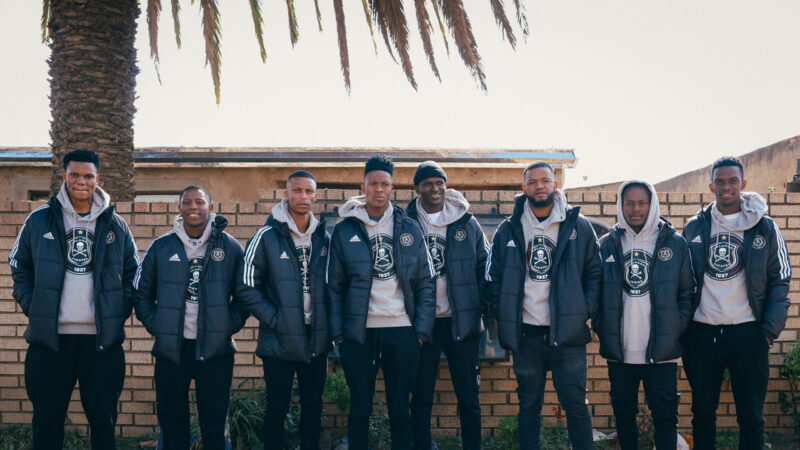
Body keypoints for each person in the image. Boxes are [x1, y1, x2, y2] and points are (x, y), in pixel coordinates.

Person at [8, 148, 139, 449]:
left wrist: (118, 310)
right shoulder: (39, 220)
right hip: (50, 343)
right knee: (47, 423)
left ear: (98, 179)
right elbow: (18, 266)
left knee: (103, 423)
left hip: (101, 344)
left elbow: (135, 274)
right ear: (64, 176)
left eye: (88, 176)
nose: (82, 181)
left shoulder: (116, 225)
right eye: (75, 175)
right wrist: (34, 306)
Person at [486, 161, 601, 450]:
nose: (539, 186)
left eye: (545, 181)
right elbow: (492, 277)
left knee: (576, 404)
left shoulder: (579, 227)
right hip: (527, 334)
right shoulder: (508, 229)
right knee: (529, 406)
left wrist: (583, 310)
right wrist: (504, 313)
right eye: (533, 182)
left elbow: (596, 274)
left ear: (555, 185)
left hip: (568, 334)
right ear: (524, 187)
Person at [681, 156, 791, 449]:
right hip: (702, 334)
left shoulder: (765, 226)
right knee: (703, 413)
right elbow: (681, 280)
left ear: (743, 184)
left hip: (748, 333)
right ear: (711, 186)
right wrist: (683, 328)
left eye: (732, 181)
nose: (726, 187)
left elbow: (781, 279)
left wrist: (767, 331)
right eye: (720, 181)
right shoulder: (694, 227)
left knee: (751, 416)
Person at [327, 155, 436, 450]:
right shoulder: (344, 230)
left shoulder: (410, 228)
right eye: (373, 184)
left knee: (399, 407)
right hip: (359, 334)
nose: (379, 189)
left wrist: (420, 333)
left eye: (384, 184)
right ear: (363, 187)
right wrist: (339, 335)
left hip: (402, 331)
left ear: (392, 188)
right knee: (360, 406)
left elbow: (426, 282)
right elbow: (333, 287)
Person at [133, 185, 247, 450]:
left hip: (215, 350)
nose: (193, 207)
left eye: (199, 202)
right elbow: (140, 293)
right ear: (179, 208)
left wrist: (227, 326)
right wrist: (158, 326)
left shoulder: (229, 247)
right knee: (172, 422)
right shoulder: (161, 246)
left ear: (210, 207)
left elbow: (245, 294)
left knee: (214, 423)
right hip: (172, 350)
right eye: (187, 202)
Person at [595, 180, 695, 449]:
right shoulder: (607, 245)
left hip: (661, 352)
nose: (636, 209)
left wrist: (676, 326)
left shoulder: (675, 243)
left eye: (642, 203)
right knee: (624, 417)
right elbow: (594, 292)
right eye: (630, 203)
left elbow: (687, 292)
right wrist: (601, 326)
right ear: (621, 205)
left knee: (665, 418)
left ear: (652, 205)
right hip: (620, 351)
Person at [237, 171, 330, 450]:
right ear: (286, 194)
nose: (303, 196)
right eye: (297, 190)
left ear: (315, 196)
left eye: (309, 191)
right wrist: (276, 319)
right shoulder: (265, 236)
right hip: (279, 337)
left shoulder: (324, 238)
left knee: (313, 406)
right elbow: (246, 287)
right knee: (277, 406)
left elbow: (336, 284)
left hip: (316, 337)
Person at [406, 161, 489, 450]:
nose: (434, 188)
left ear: (445, 186)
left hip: (460, 324)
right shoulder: (406, 222)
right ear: (417, 189)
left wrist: (476, 305)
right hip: (422, 325)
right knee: (421, 397)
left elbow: (486, 267)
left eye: (439, 183)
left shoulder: (466, 222)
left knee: (469, 399)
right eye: (427, 183)